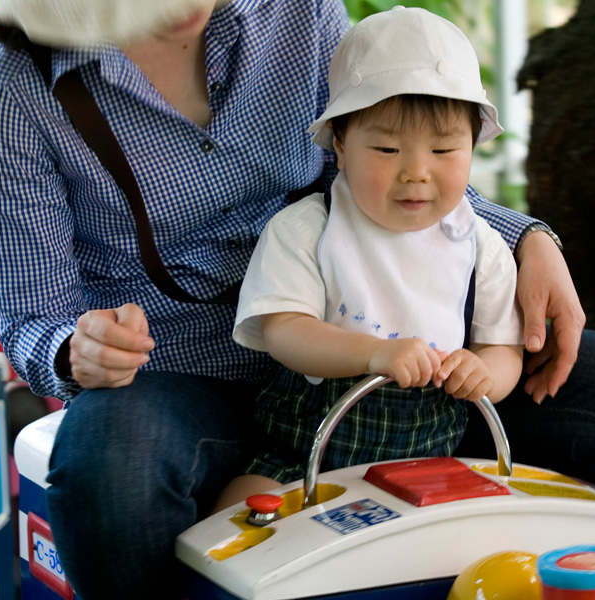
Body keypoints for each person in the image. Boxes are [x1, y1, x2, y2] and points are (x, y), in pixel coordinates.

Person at [0, 0, 595, 598]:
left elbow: (397, 143)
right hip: (179, 366)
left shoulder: (298, 9)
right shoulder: (15, 81)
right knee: (109, 471)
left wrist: (524, 238)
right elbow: (31, 317)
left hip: (394, 349)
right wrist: (77, 349)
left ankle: (467, 575)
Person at [217, 7, 525, 506]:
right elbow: (284, 330)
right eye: (386, 149)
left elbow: (505, 347)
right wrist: (374, 353)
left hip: (427, 463)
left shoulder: (481, 246)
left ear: (473, 146)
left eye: (444, 152)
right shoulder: (307, 229)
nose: (417, 173)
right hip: (301, 455)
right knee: (243, 511)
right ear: (340, 144)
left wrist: (485, 373)